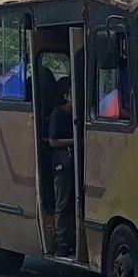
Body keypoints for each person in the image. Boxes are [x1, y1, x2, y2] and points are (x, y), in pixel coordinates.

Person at [49, 82, 76, 258]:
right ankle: (62, 241)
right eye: (72, 95)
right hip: (62, 164)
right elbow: (52, 141)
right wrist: (74, 140)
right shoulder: (57, 114)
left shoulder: (80, 113)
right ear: (66, 96)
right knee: (62, 203)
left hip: (75, 163)